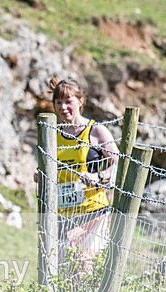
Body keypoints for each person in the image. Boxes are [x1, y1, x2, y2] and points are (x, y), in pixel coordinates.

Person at [49, 76, 119, 274]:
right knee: (62, 270)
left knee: (84, 262)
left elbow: (119, 164)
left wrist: (99, 177)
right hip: (64, 215)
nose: (63, 107)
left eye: (68, 101)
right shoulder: (53, 135)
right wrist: (43, 175)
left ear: (80, 101)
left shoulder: (96, 131)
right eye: (59, 103)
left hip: (94, 212)